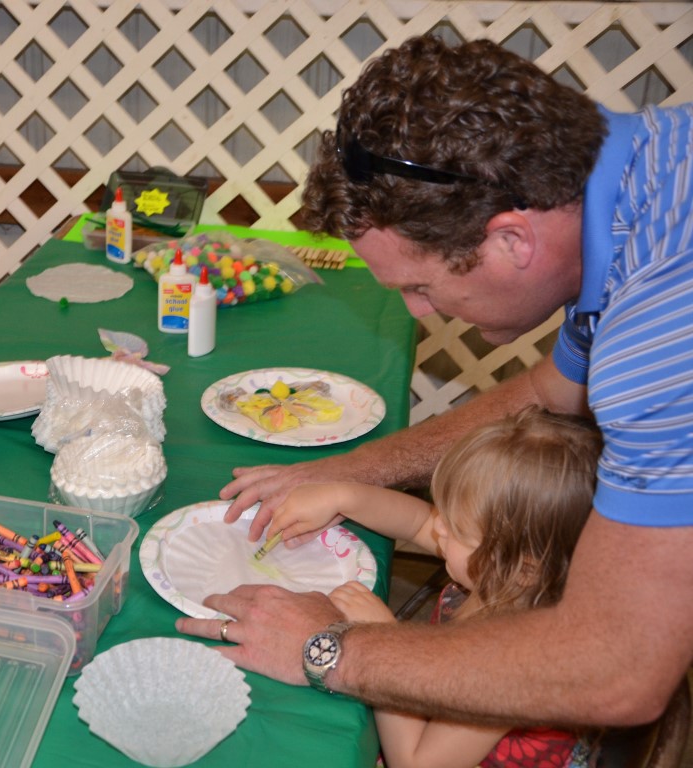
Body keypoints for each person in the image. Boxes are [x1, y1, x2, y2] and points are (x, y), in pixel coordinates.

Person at [177, 34, 693, 727]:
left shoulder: (662, 329)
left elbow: (618, 668)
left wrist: (327, 650)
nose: (419, 312)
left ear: (512, 240)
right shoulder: (637, 176)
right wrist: (347, 470)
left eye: (420, 286)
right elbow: (553, 390)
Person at [272, 408, 600, 767]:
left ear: (522, 567)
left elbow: (416, 762)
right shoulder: (505, 571)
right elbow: (416, 522)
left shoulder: (514, 661)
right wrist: (341, 496)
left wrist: (381, 640)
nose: (438, 527)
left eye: (456, 528)